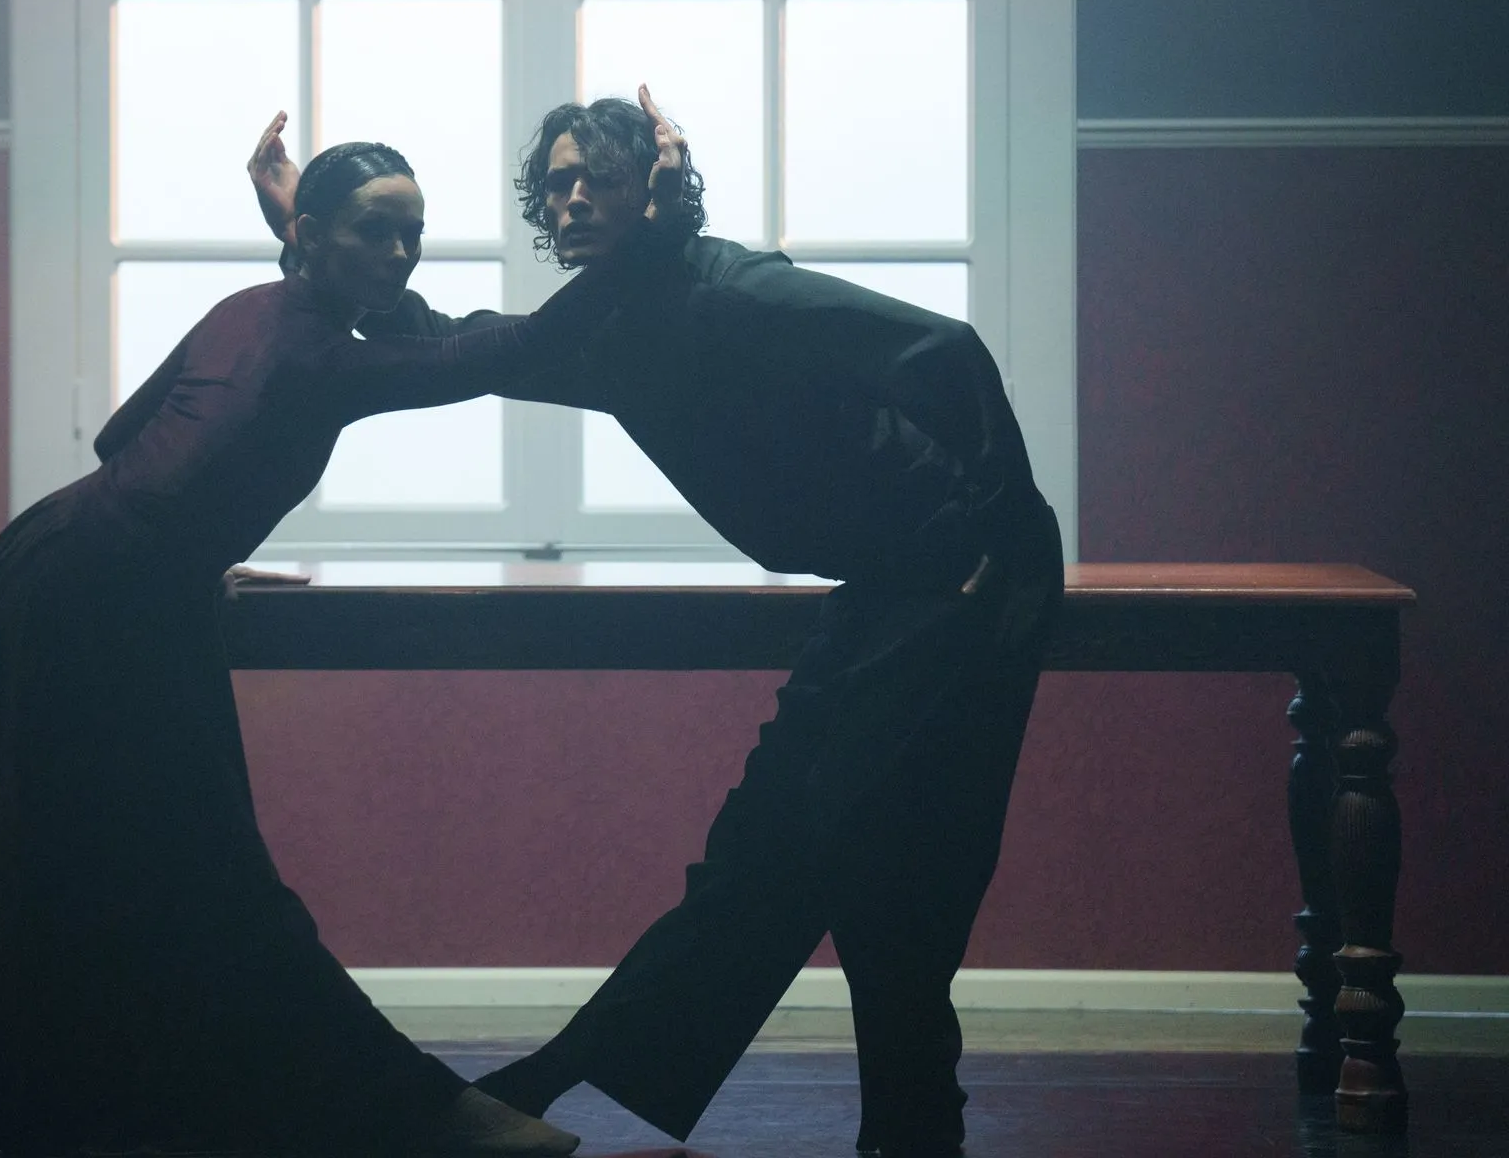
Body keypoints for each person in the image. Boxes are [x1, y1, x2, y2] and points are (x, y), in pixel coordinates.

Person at [248, 91, 1065, 1158]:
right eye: (557, 183)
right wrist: (311, 247)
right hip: (888, 581)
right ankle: (890, 1121)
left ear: (655, 190)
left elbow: (945, 349)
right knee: (814, 849)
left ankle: (573, 1080)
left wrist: (997, 524)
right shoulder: (610, 330)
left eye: (600, 177)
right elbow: (455, 348)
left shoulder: (738, 289)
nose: (573, 198)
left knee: (836, 844)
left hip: (966, 572)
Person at [0, 140, 652, 1157]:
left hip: (55, 565)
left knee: (95, 847)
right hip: (101, 597)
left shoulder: (249, 309)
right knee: (207, 868)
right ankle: (422, 1114)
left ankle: (79, 1111)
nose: (400, 255)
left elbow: (122, 442)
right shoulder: (320, 358)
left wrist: (200, 549)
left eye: (412, 234)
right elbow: (514, 347)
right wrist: (644, 233)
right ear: (309, 234)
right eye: (374, 231)